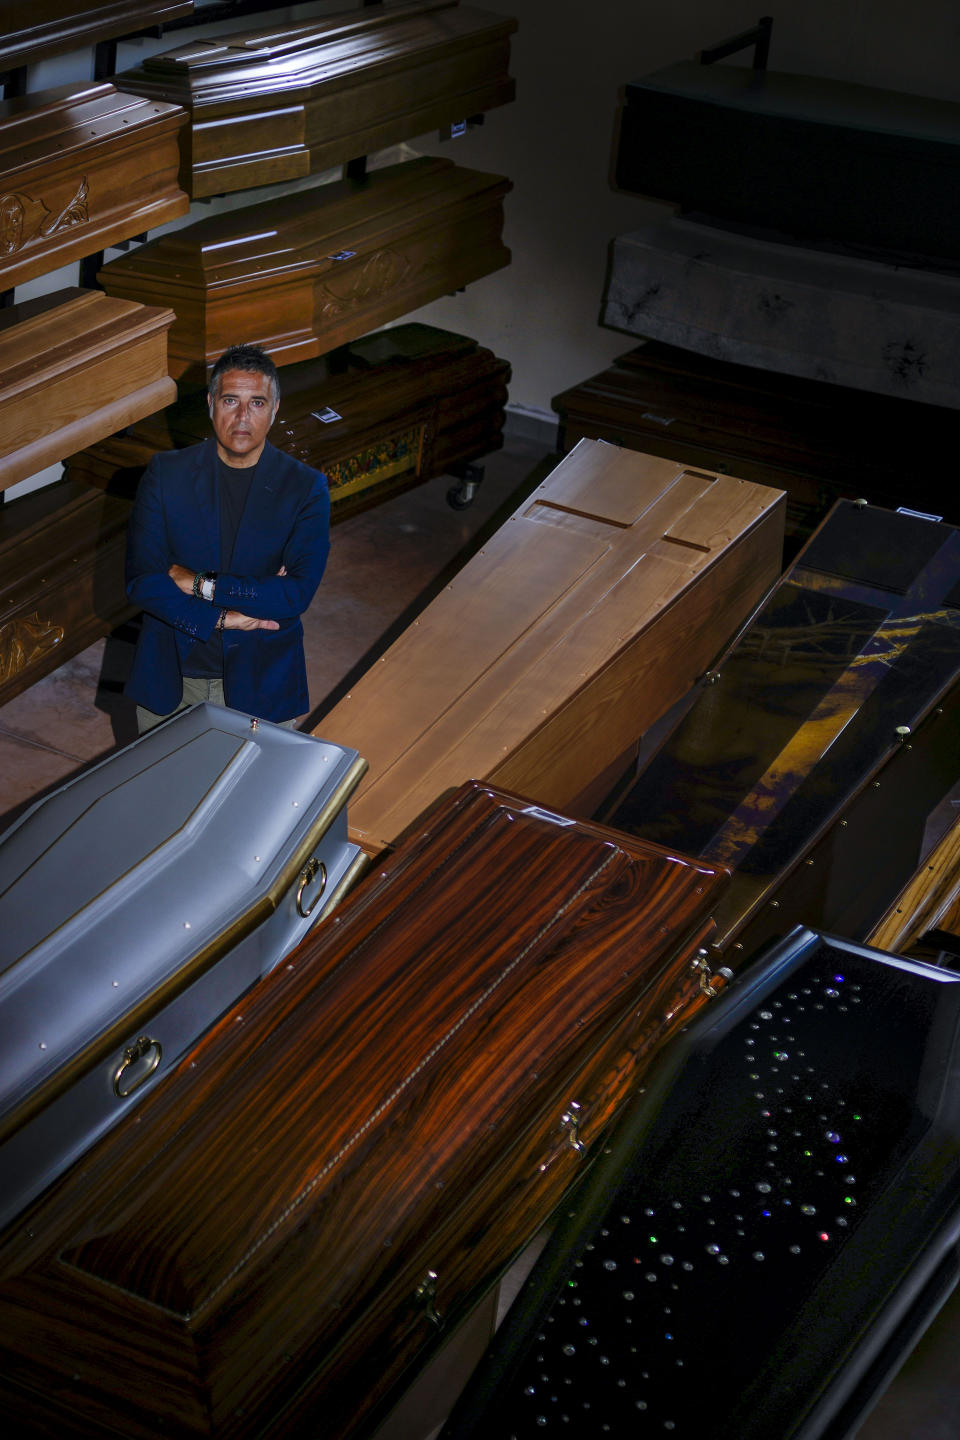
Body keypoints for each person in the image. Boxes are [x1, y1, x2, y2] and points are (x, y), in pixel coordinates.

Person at [125, 343, 330, 731]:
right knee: (164, 792)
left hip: (262, 681)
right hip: (171, 677)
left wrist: (198, 583)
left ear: (275, 409)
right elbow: (143, 581)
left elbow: (296, 594)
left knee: (258, 793)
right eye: (230, 400)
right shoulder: (166, 474)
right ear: (210, 404)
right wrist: (221, 618)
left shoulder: (305, 487)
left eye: (256, 403)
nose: (241, 417)